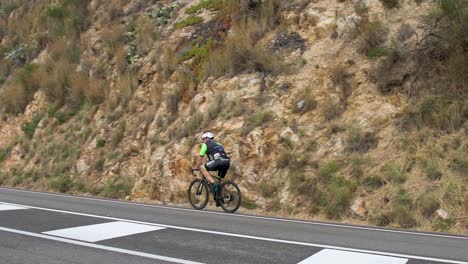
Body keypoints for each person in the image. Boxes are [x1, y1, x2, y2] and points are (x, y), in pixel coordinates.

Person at [195, 131, 230, 206]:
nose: (203, 141)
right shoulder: (219, 144)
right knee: (219, 182)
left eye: (203, 139)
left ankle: (213, 183)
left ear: (206, 138)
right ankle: (219, 200)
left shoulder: (205, 145)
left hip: (217, 161)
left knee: (203, 168)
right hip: (226, 161)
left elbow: (200, 157)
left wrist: (197, 166)